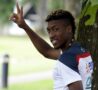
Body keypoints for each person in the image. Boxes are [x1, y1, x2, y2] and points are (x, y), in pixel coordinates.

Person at [10, 2, 93, 90]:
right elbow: (47, 52)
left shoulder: (66, 59)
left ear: (69, 29)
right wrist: (24, 26)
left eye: (56, 29)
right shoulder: (79, 50)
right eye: (49, 31)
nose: (51, 35)